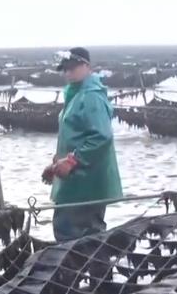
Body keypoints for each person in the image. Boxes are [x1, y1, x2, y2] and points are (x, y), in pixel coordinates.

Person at [42, 47, 123, 243]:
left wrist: (71, 161)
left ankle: (86, 264)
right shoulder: (76, 94)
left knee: (79, 237)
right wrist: (56, 165)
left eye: (73, 67)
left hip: (87, 184)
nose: (68, 72)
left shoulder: (91, 96)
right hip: (74, 183)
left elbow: (101, 137)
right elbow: (74, 136)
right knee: (71, 234)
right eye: (65, 69)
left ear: (87, 66)